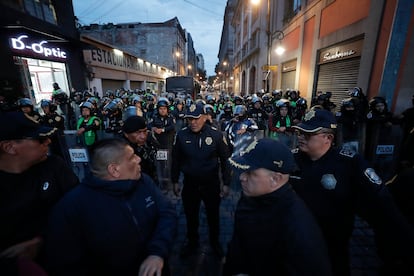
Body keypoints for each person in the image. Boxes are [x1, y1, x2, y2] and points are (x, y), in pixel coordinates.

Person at [290, 109, 414, 276]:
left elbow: (382, 203)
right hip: (297, 242)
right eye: (300, 132)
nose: (300, 137)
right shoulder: (290, 160)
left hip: (333, 245)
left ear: (328, 138)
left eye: (308, 134)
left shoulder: (350, 163)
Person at [45, 138, 177, 276]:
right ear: (114, 170)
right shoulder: (71, 208)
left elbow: (166, 213)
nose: (138, 159)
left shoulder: (144, 181)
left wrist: (157, 252)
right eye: (132, 157)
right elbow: (67, 264)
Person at [224, 138, 332, 275]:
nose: (242, 178)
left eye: (251, 173)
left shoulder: (298, 228)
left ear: (275, 179)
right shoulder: (250, 197)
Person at [0, 112, 79, 275]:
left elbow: (79, 210)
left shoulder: (55, 166)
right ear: (9, 147)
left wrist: (42, 240)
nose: (48, 142)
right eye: (40, 139)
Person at [171, 102, 231, 258]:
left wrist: (227, 183)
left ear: (205, 117)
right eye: (190, 119)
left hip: (211, 183)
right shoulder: (181, 135)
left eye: (197, 118)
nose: (193, 122)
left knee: (213, 214)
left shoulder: (216, 135)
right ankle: (192, 242)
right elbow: (176, 159)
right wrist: (175, 180)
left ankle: (214, 241)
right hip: (190, 184)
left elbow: (225, 160)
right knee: (190, 215)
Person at [122, 115, 160, 183]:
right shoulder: (121, 150)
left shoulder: (148, 140)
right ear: (126, 134)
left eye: (145, 131)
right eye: (138, 132)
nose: (143, 136)